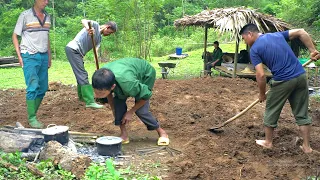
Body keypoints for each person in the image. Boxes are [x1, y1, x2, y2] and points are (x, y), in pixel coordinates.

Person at [239, 23, 320, 153]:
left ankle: (268, 142)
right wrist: (312, 50)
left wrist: (262, 94)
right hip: (300, 77)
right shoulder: (276, 35)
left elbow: (260, 75)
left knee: (271, 109)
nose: (245, 42)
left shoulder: (254, 50)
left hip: (282, 80)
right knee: (301, 113)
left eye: (244, 38)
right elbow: (301, 31)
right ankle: (307, 147)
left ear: (250, 34)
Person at [92, 58, 169, 146]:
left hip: (145, 74)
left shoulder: (129, 84)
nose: (97, 95)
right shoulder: (101, 77)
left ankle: (162, 132)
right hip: (124, 74)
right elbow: (109, 94)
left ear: (113, 87)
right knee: (118, 106)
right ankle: (124, 135)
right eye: (96, 91)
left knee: (141, 110)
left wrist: (130, 112)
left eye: (100, 93)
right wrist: (114, 108)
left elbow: (146, 95)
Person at [12, 0, 51, 128]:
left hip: (43, 55)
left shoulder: (48, 16)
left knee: (43, 87)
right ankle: (32, 118)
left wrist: (49, 56)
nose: (46, 2)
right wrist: (19, 56)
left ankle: (32, 113)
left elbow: (47, 37)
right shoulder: (25, 15)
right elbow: (15, 36)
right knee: (33, 86)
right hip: (29, 55)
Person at [65, 19, 117, 109]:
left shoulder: (99, 38)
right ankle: (90, 101)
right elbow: (83, 20)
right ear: (107, 27)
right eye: (110, 32)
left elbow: (95, 51)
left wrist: (97, 66)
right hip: (74, 49)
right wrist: (88, 28)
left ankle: (82, 97)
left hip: (78, 53)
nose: (109, 35)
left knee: (80, 74)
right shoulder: (95, 26)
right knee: (83, 74)